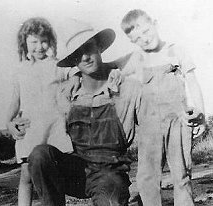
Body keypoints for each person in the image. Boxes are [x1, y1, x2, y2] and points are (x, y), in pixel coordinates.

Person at [27, 21, 142, 206]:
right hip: (77, 171)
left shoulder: (127, 89)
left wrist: (142, 185)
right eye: (78, 54)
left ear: (100, 48)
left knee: (110, 200)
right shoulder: (66, 94)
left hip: (109, 173)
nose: (86, 58)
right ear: (73, 61)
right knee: (40, 155)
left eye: (89, 49)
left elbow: (144, 57)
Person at [114, 9, 205, 206]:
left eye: (146, 31)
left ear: (155, 23)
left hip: (178, 122)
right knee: (147, 178)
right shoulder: (134, 59)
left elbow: (192, 82)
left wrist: (201, 113)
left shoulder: (175, 50)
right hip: (149, 127)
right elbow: (105, 68)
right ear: (132, 42)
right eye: (138, 38)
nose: (145, 39)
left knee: (181, 175)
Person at [5, 17, 76, 206]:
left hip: (54, 130)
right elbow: (15, 100)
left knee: (53, 175)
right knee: (26, 178)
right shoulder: (20, 70)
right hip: (30, 130)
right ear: (25, 43)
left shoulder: (58, 66)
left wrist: (71, 85)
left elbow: (76, 75)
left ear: (51, 41)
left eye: (44, 40)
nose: (39, 46)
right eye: (34, 41)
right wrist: (8, 123)